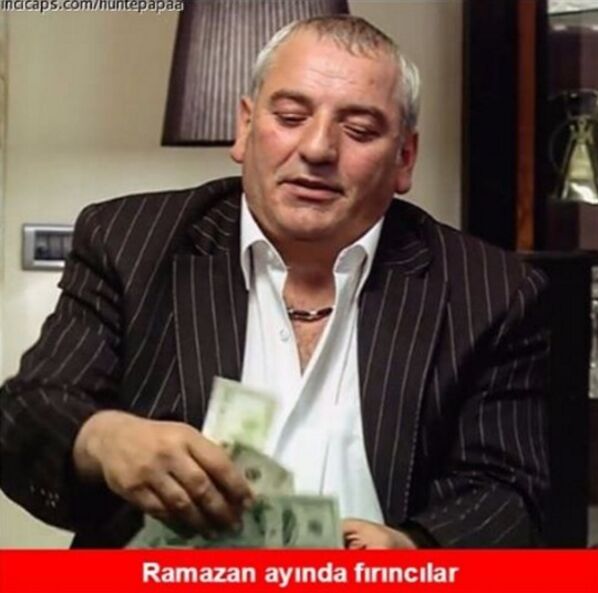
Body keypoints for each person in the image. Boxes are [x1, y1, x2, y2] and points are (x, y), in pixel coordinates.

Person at [0, 15, 549, 549]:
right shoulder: (129, 241)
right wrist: (102, 439)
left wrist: (413, 546)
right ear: (244, 128)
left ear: (404, 158)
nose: (317, 149)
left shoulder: (492, 290)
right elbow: (26, 413)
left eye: (359, 130)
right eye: (290, 117)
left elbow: (509, 494)